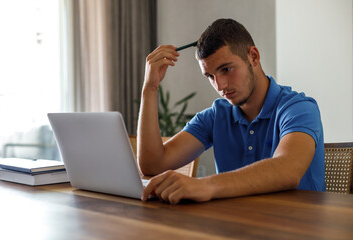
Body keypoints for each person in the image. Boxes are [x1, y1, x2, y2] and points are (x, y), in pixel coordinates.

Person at [138, 18, 325, 204]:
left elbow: (288, 170)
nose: (220, 86)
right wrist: (150, 87)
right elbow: (153, 165)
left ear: (253, 56)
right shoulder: (215, 116)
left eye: (226, 69)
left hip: (298, 228)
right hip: (239, 226)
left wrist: (207, 185)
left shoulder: (299, 108)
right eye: (210, 76)